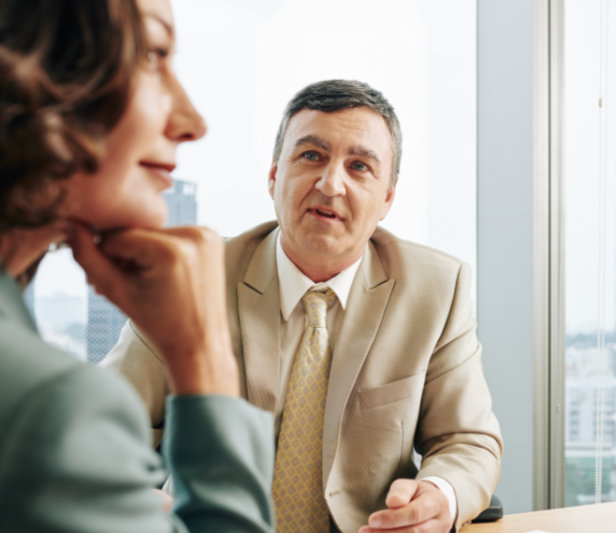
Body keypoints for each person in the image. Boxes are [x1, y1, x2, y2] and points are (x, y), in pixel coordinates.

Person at [105, 79, 502, 532]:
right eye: (311, 156)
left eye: (359, 166)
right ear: (274, 176)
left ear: (388, 197)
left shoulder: (436, 289)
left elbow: (467, 440)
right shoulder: (191, 280)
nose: (331, 184)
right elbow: (99, 433)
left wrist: (440, 497)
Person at [0, 0, 275, 531]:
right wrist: (204, 358)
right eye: (152, 54)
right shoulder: (52, 407)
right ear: (31, 65)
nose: (192, 121)